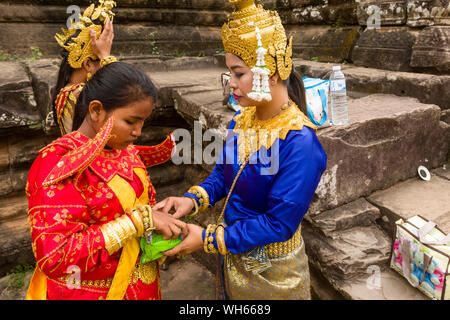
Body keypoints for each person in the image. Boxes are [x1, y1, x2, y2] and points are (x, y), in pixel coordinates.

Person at [155, 0, 327, 300]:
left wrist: (208, 239)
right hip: (231, 250)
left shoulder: (301, 144)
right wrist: (189, 201)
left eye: (238, 73)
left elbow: (279, 223)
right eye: (229, 74)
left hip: (272, 273)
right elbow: (223, 176)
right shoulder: (242, 119)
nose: (230, 84)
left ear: (270, 73)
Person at [26, 61, 185, 300]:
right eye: (131, 122)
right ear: (96, 110)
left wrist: (160, 224)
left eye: (143, 122)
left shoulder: (126, 150)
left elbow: (141, 210)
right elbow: (55, 256)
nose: (138, 132)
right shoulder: (57, 163)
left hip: (143, 287)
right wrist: (136, 222)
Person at [52, 0, 117, 136]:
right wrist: (106, 56)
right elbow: (123, 97)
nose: (104, 66)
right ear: (87, 64)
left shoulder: (68, 89)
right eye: (101, 61)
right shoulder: (80, 93)